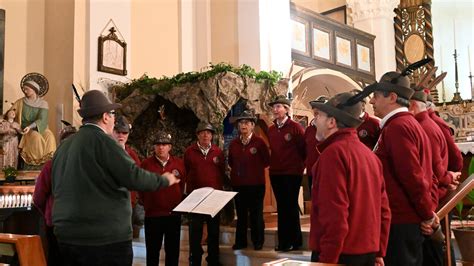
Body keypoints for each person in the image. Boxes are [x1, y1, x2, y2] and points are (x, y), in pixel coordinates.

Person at [51, 89, 179, 266]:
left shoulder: (64, 146)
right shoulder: (104, 142)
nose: (113, 119)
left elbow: (54, 185)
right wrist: (164, 180)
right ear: (105, 117)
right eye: (112, 114)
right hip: (104, 239)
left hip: (67, 236)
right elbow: (133, 177)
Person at [309, 92, 391, 265]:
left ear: (332, 122)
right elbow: (383, 210)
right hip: (367, 252)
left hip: (340, 255)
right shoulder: (370, 156)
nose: (315, 121)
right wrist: (379, 251)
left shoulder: (332, 155)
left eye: (319, 116)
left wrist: (327, 260)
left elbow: (334, 215)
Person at [369, 71, 437, 266]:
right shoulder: (406, 124)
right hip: (405, 218)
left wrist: (427, 214)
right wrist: (427, 212)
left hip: (401, 220)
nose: (372, 102)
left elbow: (412, 176)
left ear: (392, 97)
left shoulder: (398, 127)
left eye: (376, 96)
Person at [409, 89, 461, 266]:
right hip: (434, 192)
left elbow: (432, 171)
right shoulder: (427, 124)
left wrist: (448, 179)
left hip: (432, 197)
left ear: (413, 106)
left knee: (435, 253)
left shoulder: (425, 127)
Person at [33, 121, 77, 266]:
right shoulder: (85, 164)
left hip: (56, 219)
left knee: (56, 258)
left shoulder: (51, 165)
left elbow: (39, 197)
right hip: (78, 221)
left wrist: (47, 212)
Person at [139, 132, 186, 266]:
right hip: (153, 216)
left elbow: (182, 185)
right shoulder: (145, 164)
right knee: (152, 252)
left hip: (173, 215)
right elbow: (141, 188)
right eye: (158, 144)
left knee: (172, 252)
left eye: (164, 144)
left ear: (170, 147)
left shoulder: (179, 163)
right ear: (154, 147)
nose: (161, 147)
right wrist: (148, 204)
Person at [267, 95, 305, 252]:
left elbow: (303, 150)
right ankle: (285, 240)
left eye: (279, 107)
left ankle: (292, 240)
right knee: (281, 207)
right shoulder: (270, 129)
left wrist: (298, 167)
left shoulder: (295, 127)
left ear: (286, 109)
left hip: (292, 173)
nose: (275, 110)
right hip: (276, 172)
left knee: (290, 206)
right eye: (274, 107)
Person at [184, 122, 225, 266]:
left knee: (214, 232)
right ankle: (194, 260)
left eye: (208, 133)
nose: (206, 135)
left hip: (214, 199)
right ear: (197, 135)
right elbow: (186, 172)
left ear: (212, 136)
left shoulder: (218, 152)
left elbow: (221, 172)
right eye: (202, 132)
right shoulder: (189, 152)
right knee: (195, 233)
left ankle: (213, 260)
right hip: (195, 199)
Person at [228, 110, 270, 251]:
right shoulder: (233, 144)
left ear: (252, 125)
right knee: (240, 215)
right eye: (241, 123)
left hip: (256, 184)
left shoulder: (259, 142)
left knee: (256, 214)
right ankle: (241, 242)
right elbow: (231, 162)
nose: (243, 125)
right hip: (239, 185)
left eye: (246, 123)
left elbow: (266, 161)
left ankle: (258, 241)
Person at [13, 74, 56, 167]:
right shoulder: (20, 102)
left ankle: (47, 165)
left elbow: (42, 119)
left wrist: (31, 126)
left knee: (50, 136)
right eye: (24, 89)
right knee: (36, 137)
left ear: (34, 90)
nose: (24, 91)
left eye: (27, 89)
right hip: (25, 129)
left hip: (40, 127)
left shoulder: (43, 103)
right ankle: (35, 166)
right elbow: (11, 112)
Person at [113, 116, 141, 208]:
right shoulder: (103, 152)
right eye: (118, 132)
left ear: (128, 134)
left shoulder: (133, 155)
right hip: (109, 205)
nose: (121, 135)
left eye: (124, 133)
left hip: (128, 205)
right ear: (112, 132)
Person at [304, 96, 328, 196]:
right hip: (312, 171)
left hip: (327, 172)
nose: (316, 110)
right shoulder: (309, 130)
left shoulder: (330, 127)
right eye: (314, 108)